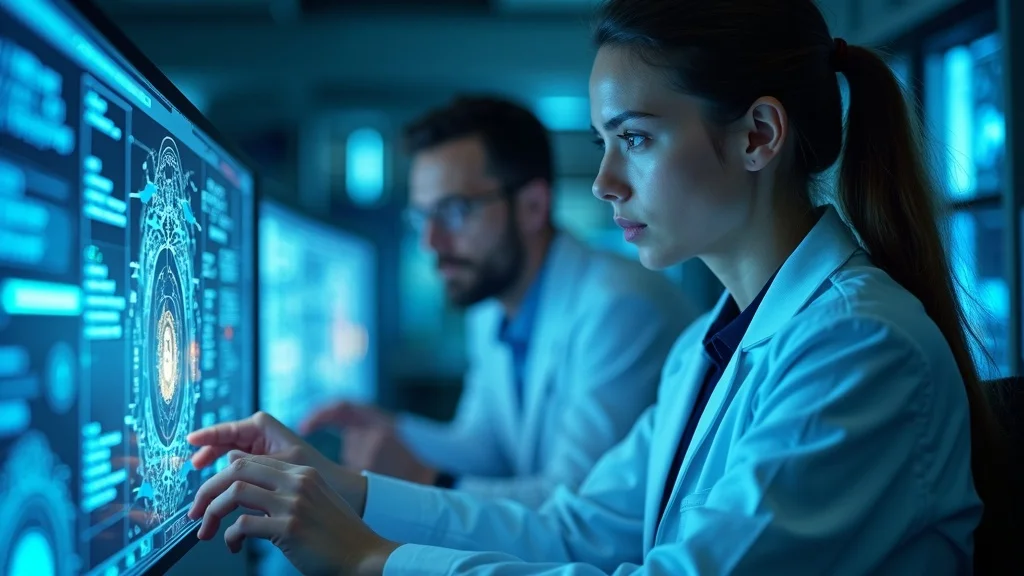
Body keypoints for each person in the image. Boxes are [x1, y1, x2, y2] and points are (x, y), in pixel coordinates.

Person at [183, 0, 1012, 574]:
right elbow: (576, 526)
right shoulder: (711, 343)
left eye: (637, 139)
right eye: (604, 144)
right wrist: (339, 487)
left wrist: (370, 561)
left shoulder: (859, 348)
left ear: (759, 134)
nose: (608, 182)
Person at [296, 96, 697, 507]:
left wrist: (424, 479)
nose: (430, 242)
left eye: (453, 211)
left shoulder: (621, 309)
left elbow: (577, 508)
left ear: (532, 206)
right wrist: (392, 430)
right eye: (422, 216)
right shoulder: (491, 310)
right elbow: (487, 448)